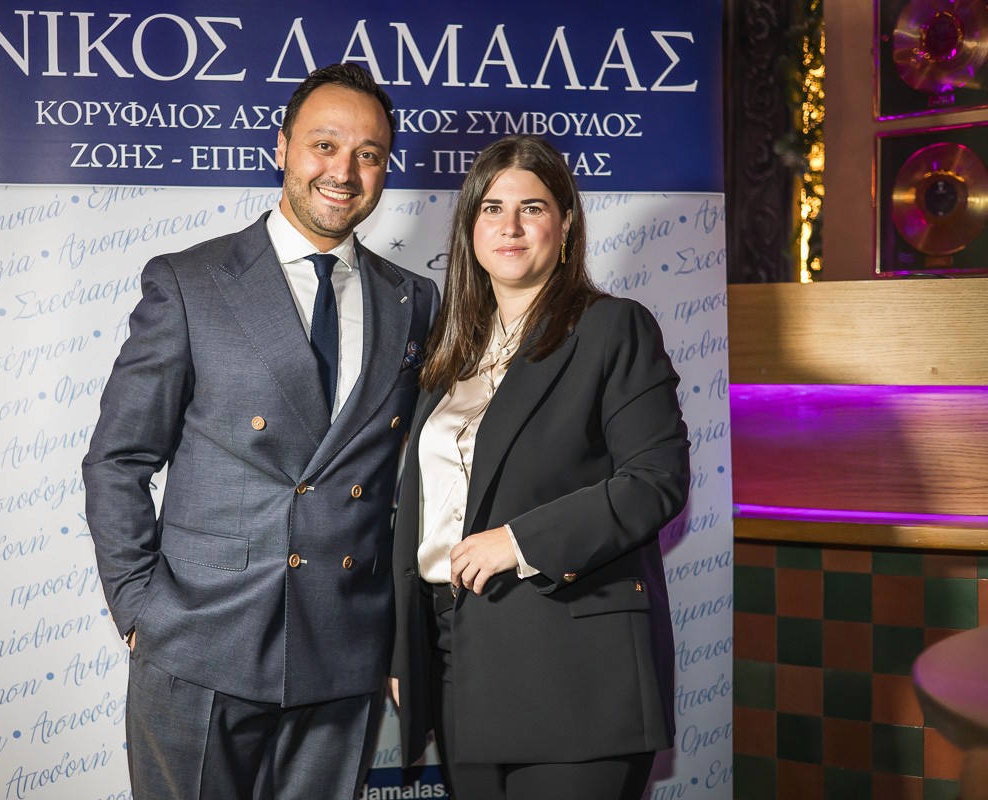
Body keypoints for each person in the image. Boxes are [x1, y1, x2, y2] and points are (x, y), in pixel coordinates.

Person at [82, 63, 439, 800]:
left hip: (343, 647)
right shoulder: (189, 281)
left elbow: (415, 474)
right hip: (199, 642)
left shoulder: (414, 300)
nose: (343, 172)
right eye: (324, 145)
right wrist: (140, 609)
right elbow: (118, 459)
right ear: (282, 147)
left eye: (369, 154)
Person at [390, 135, 691, 800]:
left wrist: (518, 542)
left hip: (575, 671)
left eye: (532, 208)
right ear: (470, 228)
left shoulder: (613, 328)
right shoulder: (450, 350)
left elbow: (655, 483)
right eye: (492, 208)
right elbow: (425, 512)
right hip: (457, 662)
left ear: (566, 224)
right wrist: (404, 646)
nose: (511, 226)